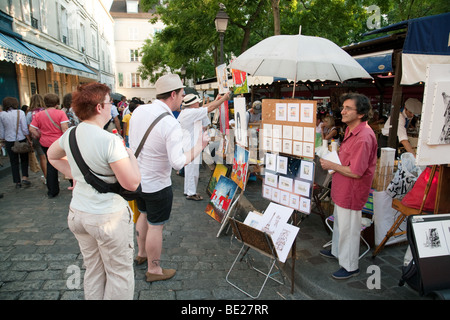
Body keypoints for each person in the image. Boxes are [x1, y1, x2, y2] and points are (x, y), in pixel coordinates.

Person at [47, 83, 141, 299]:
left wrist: (78, 177)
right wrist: (132, 158)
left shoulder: (70, 134)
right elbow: (132, 184)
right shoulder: (110, 141)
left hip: (78, 213)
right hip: (108, 217)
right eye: (110, 103)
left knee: (93, 269)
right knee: (119, 274)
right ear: (99, 107)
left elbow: (53, 156)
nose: (112, 107)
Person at [129, 73, 210, 282]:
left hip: (138, 179)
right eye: (182, 94)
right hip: (157, 184)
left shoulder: (139, 111)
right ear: (173, 94)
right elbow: (178, 162)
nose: (183, 99)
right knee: (156, 226)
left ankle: (141, 255)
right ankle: (154, 269)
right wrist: (199, 146)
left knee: (143, 216)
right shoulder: (169, 122)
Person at [319, 93, 377, 280]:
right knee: (340, 225)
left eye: (347, 108)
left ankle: (350, 265)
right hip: (343, 188)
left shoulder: (364, 136)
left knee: (349, 228)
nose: (342, 111)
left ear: (360, 113)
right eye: (343, 107)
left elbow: (356, 171)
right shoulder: (352, 131)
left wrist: (331, 165)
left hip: (352, 190)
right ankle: (337, 252)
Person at [178, 92, 230, 201]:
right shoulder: (191, 112)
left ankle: (188, 190)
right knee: (193, 170)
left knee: (190, 169)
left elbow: (205, 107)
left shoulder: (188, 111)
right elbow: (209, 107)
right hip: (191, 146)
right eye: (197, 101)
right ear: (193, 104)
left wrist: (217, 100)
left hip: (188, 144)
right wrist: (224, 99)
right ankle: (191, 192)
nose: (199, 103)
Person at [29, 93, 69, 198]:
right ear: (56, 103)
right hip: (58, 142)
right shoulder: (60, 113)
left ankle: (52, 191)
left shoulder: (39, 115)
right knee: (66, 162)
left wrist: (38, 135)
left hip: (45, 142)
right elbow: (64, 129)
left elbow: (31, 128)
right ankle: (73, 185)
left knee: (50, 165)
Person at [0, 97, 32, 188]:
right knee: (24, 159)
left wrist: (2, 140)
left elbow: (1, 130)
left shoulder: (2, 115)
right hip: (21, 139)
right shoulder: (20, 113)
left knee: (13, 162)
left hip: (9, 140)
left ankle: (17, 182)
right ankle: (25, 177)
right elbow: (24, 128)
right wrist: (28, 138)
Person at [26, 94, 47, 181]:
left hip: (37, 138)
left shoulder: (29, 114)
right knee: (51, 157)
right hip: (48, 136)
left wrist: (30, 139)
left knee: (42, 157)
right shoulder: (46, 111)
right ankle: (54, 177)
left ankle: (47, 178)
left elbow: (28, 127)